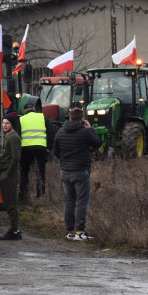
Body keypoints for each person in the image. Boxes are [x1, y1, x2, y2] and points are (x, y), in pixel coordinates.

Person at [53, 107, 101, 241]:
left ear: (69, 117)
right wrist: (90, 128)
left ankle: (70, 231)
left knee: (69, 202)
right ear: (81, 119)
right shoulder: (84, 132)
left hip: (65, 171)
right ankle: (80, 232)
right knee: (81, 202)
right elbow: (97, 143)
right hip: (80, 171)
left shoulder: (60, 132)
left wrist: (64, 161)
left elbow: (55, 151)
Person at [0, 114, 22, 240]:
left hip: (10, 175)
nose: (5, 125)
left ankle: (15, 230)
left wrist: (8, 173)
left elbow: (16, 157)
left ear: (12, 124)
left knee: (12, 203)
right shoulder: (8, 137)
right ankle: (14, 229)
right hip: (6, 173)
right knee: (8, 202)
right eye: (3, 123)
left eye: (7, 123)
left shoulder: (13, 138)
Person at [19, 101, 48, 200]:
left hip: (25, 149)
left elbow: (18, 135)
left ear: (25, 111)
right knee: (40, 172)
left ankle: (23, 194)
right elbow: (51, 131)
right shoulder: (42, 117)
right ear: (34, 109)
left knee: (24, 171)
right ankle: (40, 195)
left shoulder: (21, 119)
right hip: (40, 148)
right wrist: (48, 147)